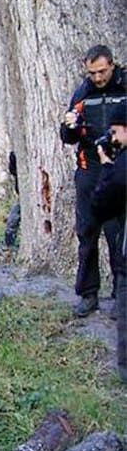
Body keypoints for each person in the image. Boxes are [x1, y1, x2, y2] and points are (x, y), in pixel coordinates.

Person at [59, 44, 126, 317]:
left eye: (101, 71)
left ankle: (119, 296)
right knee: (87, 233)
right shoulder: (82, 92)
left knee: (116, 235)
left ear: (111, 64)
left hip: (118, 170)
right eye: (92, 73)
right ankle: (88, 294)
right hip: (88, 170)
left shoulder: (124, 87)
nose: (97, 78)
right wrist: (70, 126)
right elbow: (67, 137)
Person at [90, 100, 126, 382]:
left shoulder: (121, 167)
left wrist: (106, 166)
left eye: (114, 131)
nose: (113, 137)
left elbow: (102, 204)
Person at [4, 151, 20, 247]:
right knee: (14, 218)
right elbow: (12, 170)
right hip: (23, 195)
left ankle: (9, 242)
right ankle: (9, 243)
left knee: (14, 217)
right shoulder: (15, 154)